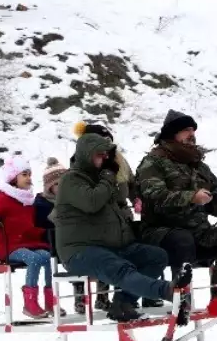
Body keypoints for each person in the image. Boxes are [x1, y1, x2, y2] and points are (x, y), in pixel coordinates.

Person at [53, 131, 185, 322]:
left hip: (110, 247)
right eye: (100, 155)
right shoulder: (70, 179)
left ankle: (123, 303)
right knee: (120, 268)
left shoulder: (102, 180)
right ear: (87, 155)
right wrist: (108, 176)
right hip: (80, 251)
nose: (105, 159)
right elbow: (92, 202)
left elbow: (116, 209)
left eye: (107, 155)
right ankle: (167, 291)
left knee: (156, 256)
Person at [136, 109, 217, 313]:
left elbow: (214, 203)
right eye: (186, 130)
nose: (192, 134)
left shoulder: (199, 166)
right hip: (160, 234)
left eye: (193, 130)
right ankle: (181, 295)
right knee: (182, 238)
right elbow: (154, 196)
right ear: (172, 134)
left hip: (198, 235)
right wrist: (191, 197)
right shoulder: (153, 162)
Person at [68, 121, 163, 310]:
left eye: (107, 141)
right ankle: (91, 296)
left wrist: (137, 198)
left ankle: (133, 294)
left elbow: (132, 183)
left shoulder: (120, 160)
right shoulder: (80, 164)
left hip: (122, 216)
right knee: (103, 254)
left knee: (136, 251)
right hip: (93, 219)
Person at [0, 156, 55, 319]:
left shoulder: (28, 199)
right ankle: (30, 303)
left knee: (47, 257)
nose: (29, 178)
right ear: (13, 177)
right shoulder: (2, 197)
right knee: (35, 259)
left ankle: (51, 301)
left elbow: (30, 225)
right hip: (9, 247)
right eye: (24, 174)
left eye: (29, 174)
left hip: (27, 243)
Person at [32, 157, 68, 316]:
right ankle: (50, 301)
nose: (61, 188)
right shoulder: (41, 203)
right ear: (49, 186)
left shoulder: (70, 200)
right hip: (49, 244)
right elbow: (42, 225)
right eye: (57, 184)